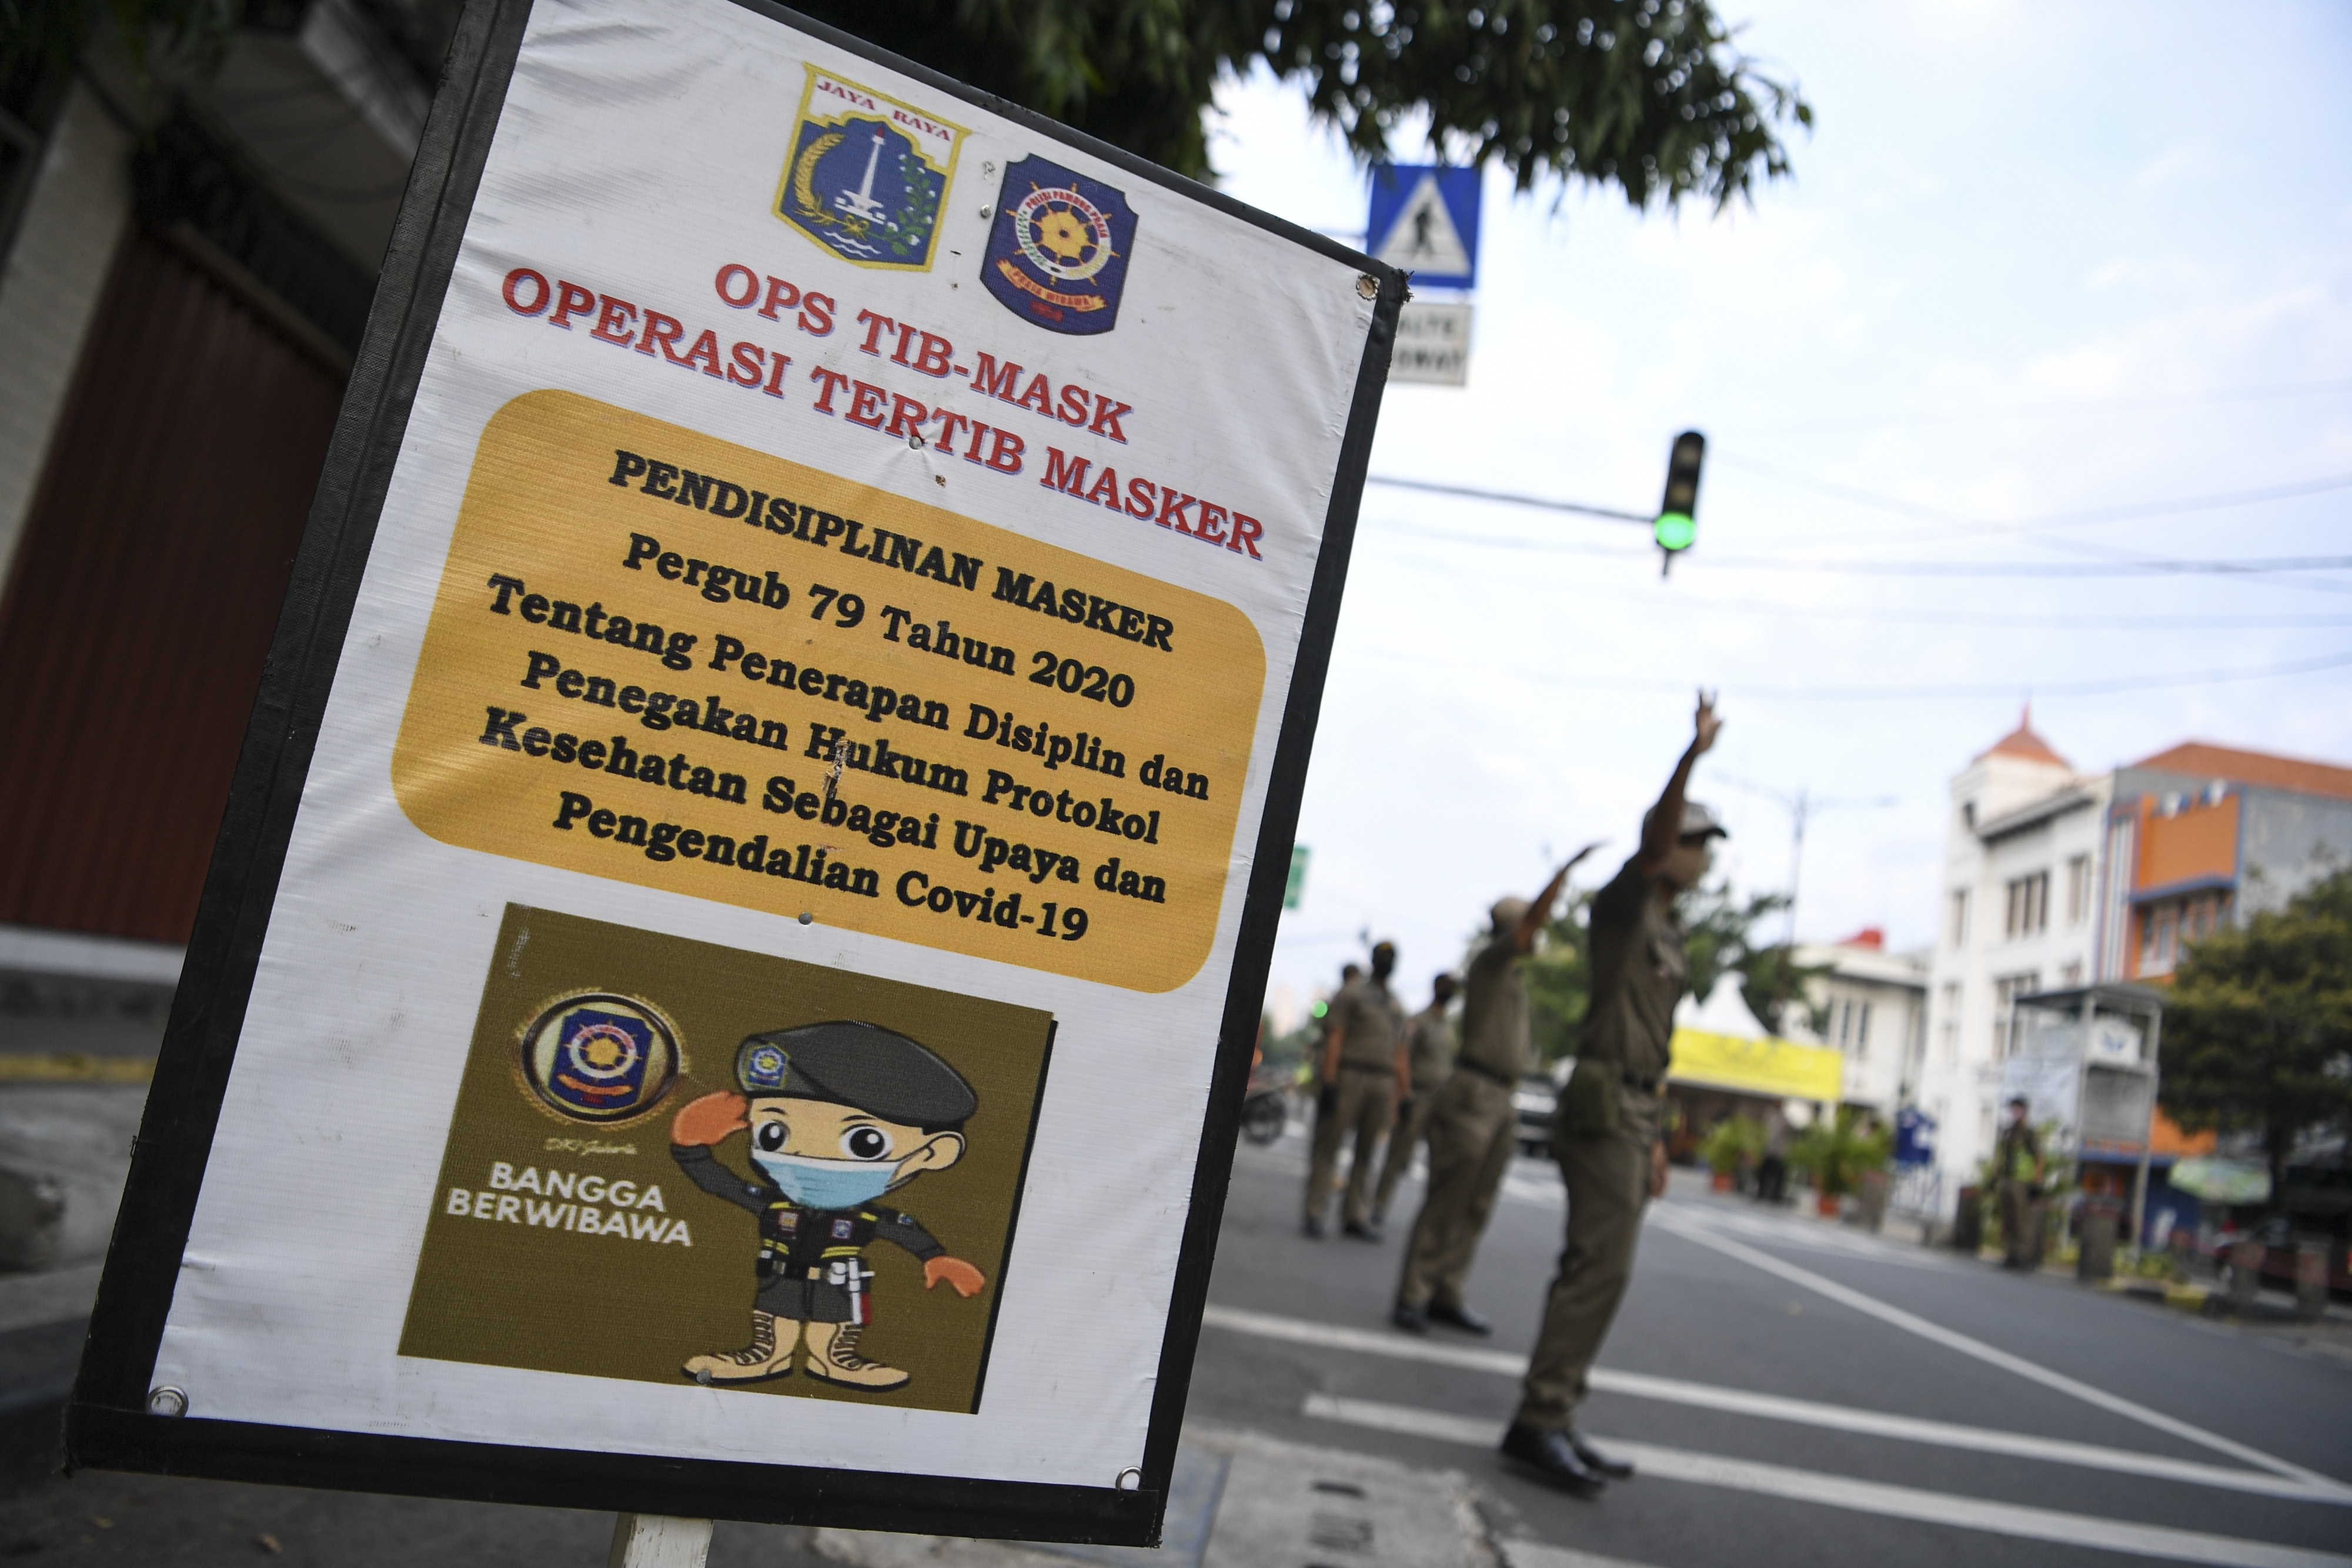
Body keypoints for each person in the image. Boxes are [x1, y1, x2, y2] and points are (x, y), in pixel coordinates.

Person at [1502, 691, 1723, 1496]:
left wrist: (1659, 1134)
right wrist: (1690, 758)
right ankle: (1538, 1418)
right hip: (1601, 1104)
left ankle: (1556, 1411)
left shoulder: (1670, 927)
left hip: (1635, 1109)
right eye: (1697, 841)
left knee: (1608, 1270)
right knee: (1596, 1265)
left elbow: (1654, 1047)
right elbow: (1657, 837)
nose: (1704, 855)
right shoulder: (1629, 903)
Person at [669, 1021, 989, 1390]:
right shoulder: (774, 1204)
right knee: (775, 1317)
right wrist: (690, 1149)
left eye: (865, 1142)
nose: (804, 1155)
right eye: (774, 1132)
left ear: (933, 1153)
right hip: (781, 1273)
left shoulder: (864, 1215)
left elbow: (898, 1226)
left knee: (834, 1324)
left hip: (837, 1280)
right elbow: (721, 1185)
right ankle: (768, 1357)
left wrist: (934, 1256)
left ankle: (836, 1361)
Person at [1393, 844, 1601, 1334]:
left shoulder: (1511, 976)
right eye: (1530, 926)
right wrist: (1562, 875)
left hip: (1501, 1097)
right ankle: (1414, 1292)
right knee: (1449, 1198)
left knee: (1478, 1204)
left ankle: (1447, 1289)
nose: (1538, 935)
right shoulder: (1488, 962)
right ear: (1510, 929)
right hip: (1473, 1092)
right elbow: (1530, 925)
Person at [1305, 942, 1409, 1239]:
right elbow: (1336, 1037)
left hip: (1382, 1081)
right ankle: (1315, 1211)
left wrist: (1403, 1093)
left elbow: (1401, 1050)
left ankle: (1354, 1213)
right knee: (1330, 1146)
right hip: (1352, 1076)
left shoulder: (1395, 1004)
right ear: (1373, 960)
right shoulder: (1352, 994)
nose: (1386, 962)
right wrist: (1329, 1080)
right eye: (1382, 957)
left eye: (1391, 958)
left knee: (1366, 1152)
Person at [1372, 971, 1459, 1226]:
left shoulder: (1448, 1026)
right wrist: (1404, 1095)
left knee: (1441, 1160)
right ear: (1437, 987)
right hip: (1417, 1096)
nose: (1451, 992)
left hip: (1440, 1101)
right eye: (1448, 987)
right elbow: (1402, 1057)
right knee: (1398, 1154)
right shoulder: (1419, 1021)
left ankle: (1434, 1219)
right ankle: (1378, 1206)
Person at [1996, 1096, 2045, 1269]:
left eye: (2017, 1109)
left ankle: (2024, 1257)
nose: (2014, 1112)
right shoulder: (2008, 1131)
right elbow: (2001, 1155)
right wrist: (1995, 1176)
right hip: (2007, 1179)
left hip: (2022, 1182)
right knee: (2009, 1220)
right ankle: (2012, 1255)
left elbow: (2039, 1158)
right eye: (2012, 1109)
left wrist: (2036, 1183)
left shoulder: (2029, 1133)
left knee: (2021, 1221)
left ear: (2024, 1111)